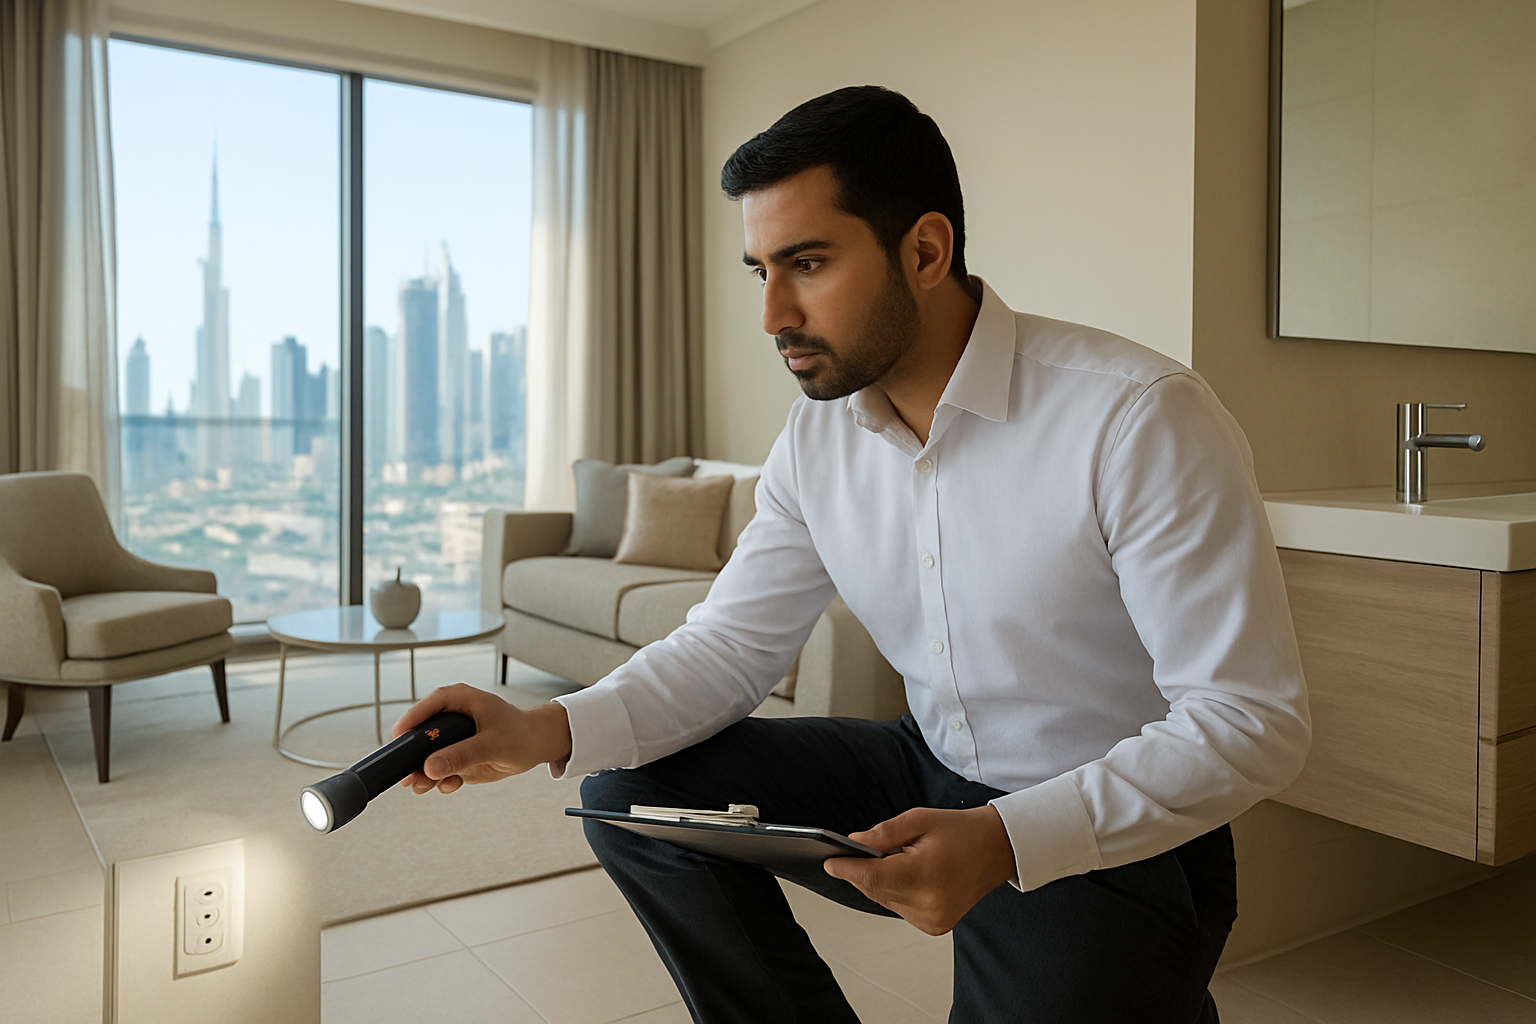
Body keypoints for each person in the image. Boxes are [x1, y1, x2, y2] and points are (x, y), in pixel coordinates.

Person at [395, 85, 1310, 1023]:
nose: (772, 313)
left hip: (1114, 828)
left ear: (924, 250)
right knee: (630, 798)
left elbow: (1251, 720)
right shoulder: (816, 439)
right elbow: (730, 647)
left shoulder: (1135, 415)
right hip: (931, 762)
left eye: (808, 263)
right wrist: (542, 727)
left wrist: (1003, 838)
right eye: (761, 270)